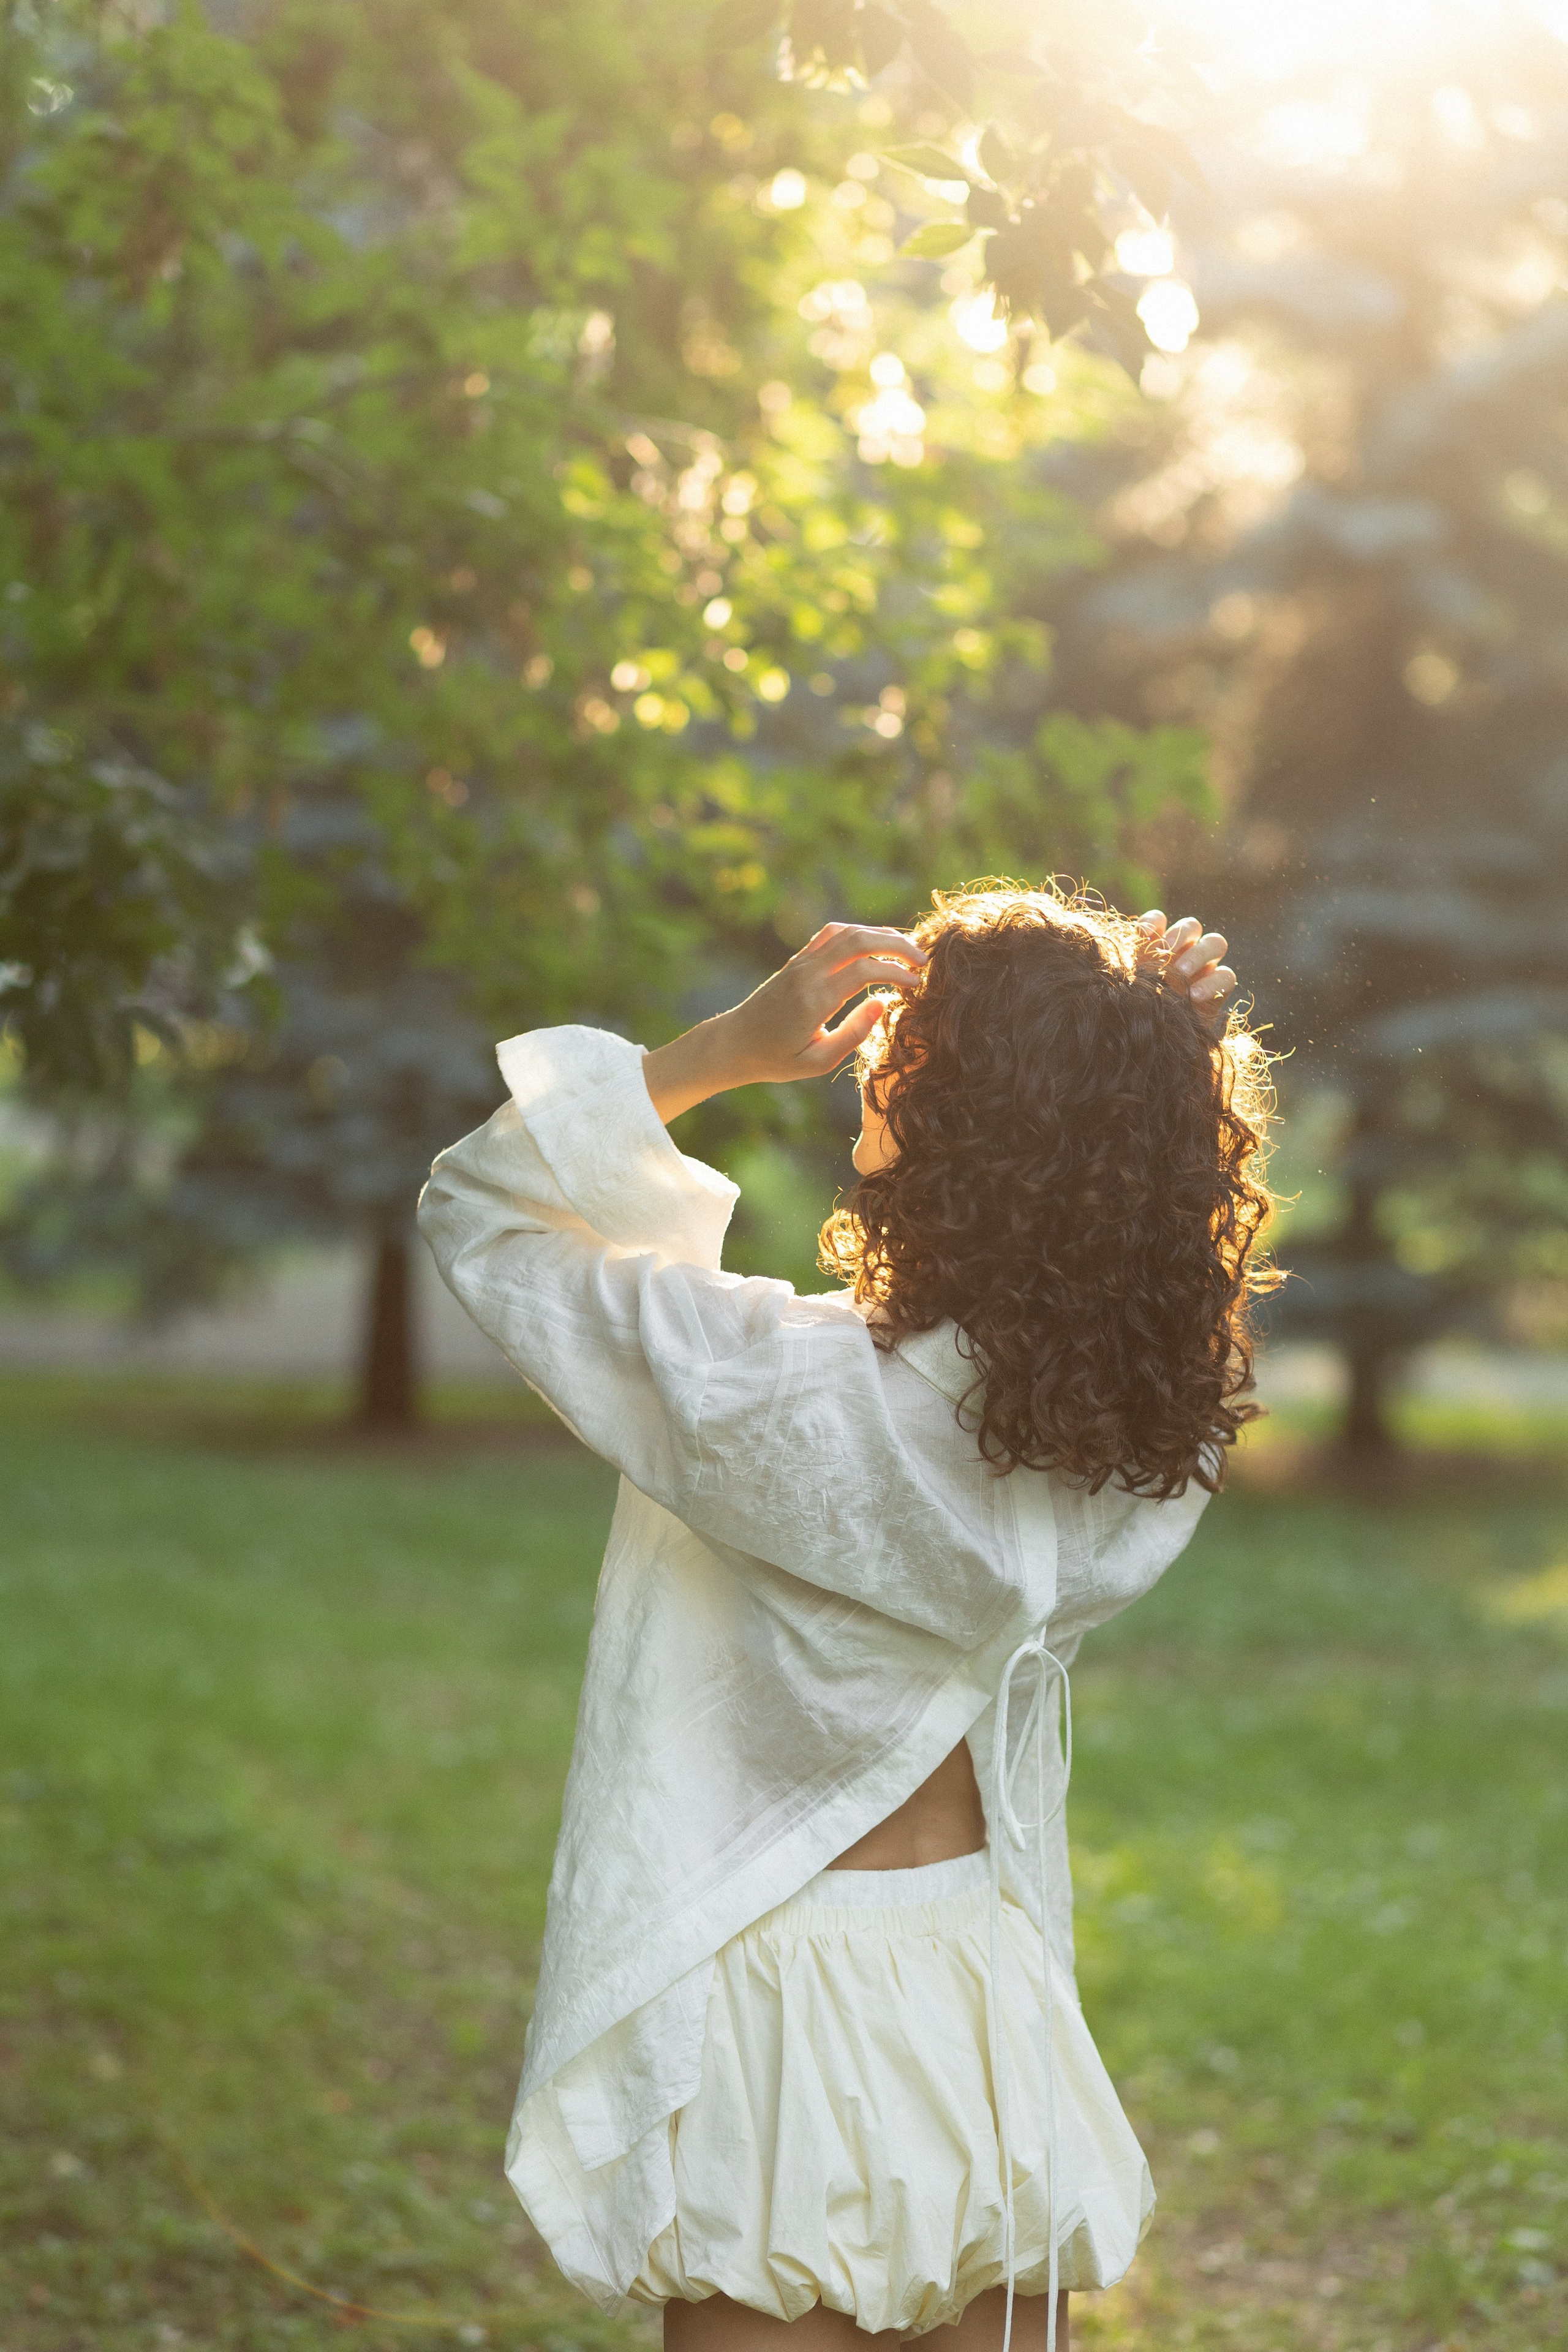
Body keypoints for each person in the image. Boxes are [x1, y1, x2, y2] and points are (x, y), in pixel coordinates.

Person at [417, 884, 1276, 2352]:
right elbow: (1132, 1275)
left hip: (768, 1972)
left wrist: (719, 1053)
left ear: (946, 1132)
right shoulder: (1134, 1452)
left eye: (902, 1066)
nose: (872, 1083)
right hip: (983, 1975)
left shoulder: (770, 1392)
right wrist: (1151, 1064)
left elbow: (484, 1209)